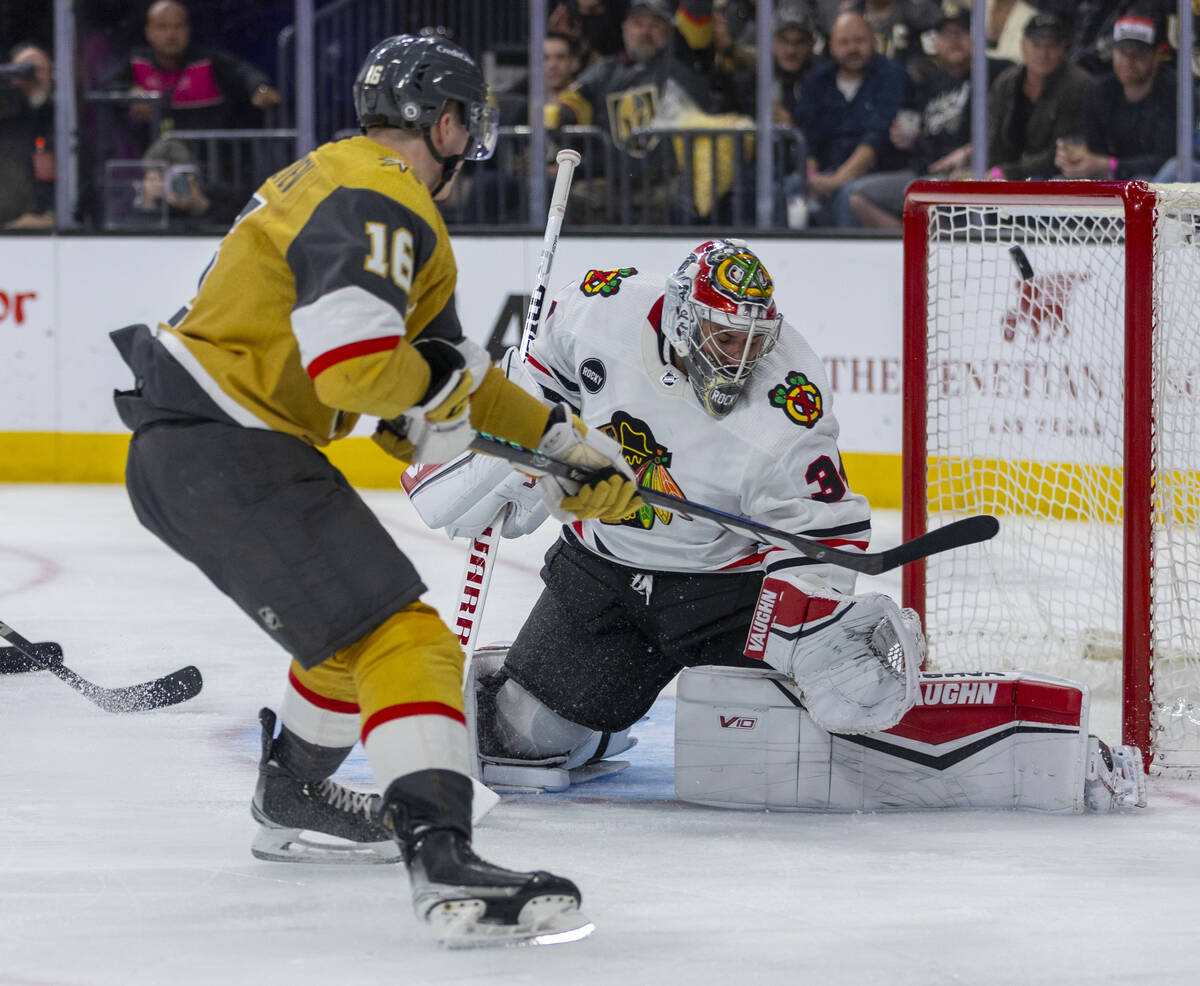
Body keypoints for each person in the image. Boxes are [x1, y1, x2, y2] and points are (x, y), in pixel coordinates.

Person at [109, 33, 640, 947]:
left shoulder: (338, 178)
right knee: (410, 640)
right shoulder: (385, 198)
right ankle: (442, 853)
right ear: (445, 122)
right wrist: (439, 414)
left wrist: (562, 447)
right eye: (466, 122)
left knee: (353, 630)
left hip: (206, 448)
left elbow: (449, 374)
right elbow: (358, 372)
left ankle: (297, 791)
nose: (468, 140)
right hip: (226, 446)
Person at [401, 239, 1146, 816]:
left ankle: (1022, 744)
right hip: (601, 575)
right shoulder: (603, 305)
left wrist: (806, 600)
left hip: (722, 591)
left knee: (839, 698)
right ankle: (590, 712)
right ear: (685, 319)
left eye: (756, 339)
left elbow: (833, 533)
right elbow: (539, 375)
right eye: (729, 340)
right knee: (527, 738)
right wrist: (525, 454)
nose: (745, 358)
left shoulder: (789, 405)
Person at [846, 2, 1008, 228]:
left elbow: (1009, 131)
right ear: (936, 42)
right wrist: (908, 139)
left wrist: (970, 151)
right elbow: (919, 134)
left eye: (961, 32)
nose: (953, 40)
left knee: (935, 201)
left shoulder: (999, 74)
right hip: (926, 173)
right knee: (857, 195)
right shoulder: (929, 82)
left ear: (976, 37)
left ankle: (929, 249)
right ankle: (912, 247)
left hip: (972, 175)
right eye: (946, 34)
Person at [794, 10, 911, 227]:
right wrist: (811, 176)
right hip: (828, 169)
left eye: (859, 41)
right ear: (831, 46)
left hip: (880, 172)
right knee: (790, 187)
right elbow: (808, 137)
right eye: (844, 42)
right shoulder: (818, 80)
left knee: (847, 194)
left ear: (873, 41)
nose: (852, 49)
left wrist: (836, 181)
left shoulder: (891, 76)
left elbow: (876, 140)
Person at [104, 0, 281, 138]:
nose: (171, 34)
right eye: (162, 27)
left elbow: (244, 73)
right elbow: (106, 87)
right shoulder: (136, 62)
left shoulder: (208, 62)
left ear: (188, 30)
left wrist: (260, 88)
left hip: (212, 164)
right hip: (154, 166)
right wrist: (129, 93)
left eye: (178, 26)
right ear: (148, 32)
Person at [1054, 12, 1175, 181]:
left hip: (1158, 188)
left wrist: (1110, 165)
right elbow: (1090, 145)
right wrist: (1073, 161)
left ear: (1156, 57)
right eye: (1122, 52)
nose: (1128, 60)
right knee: (1056, 180)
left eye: (1138, 53)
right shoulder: (1100, 90)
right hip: (1109, 182)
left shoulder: (1174, 91)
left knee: (1146, 179)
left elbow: (1170, 159)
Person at [986, 12, 1092, 181]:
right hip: (1005, 175)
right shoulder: (1006, 82)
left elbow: (1064, 152)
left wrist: (1008, 172)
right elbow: (992, 139)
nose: (1043, 53)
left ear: (1063, 48)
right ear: (1023, 46)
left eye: (1051, 46)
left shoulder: (1078, 84)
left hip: (1056, 178)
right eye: (1036, 45)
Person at [0, 43, 55, 229]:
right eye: (24, 70)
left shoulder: (60, 120)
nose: (32, 76)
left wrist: (50, 216)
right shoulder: (7, 120)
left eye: (39, 69)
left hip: (43, 221)